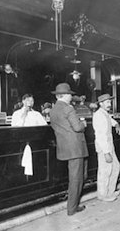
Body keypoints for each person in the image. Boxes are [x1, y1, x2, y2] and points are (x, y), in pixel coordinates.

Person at [50, 83, 88, 216]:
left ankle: (73, 204)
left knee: (76, 177)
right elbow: (77, 127)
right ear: (65, 95)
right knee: (77, 178)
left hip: (64, 148)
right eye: (70, 94)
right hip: (75, 148)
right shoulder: (68, 109)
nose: (71, 96)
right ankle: (72, 208)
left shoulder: (53, 110)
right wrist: (83, 123)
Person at [92, 94, 120, 202]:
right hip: (104, 147)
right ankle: (102, 195)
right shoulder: (98, 115)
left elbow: (110, 120)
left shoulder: (104, 114)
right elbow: (100, 136)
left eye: (110, 102)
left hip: (109, 146)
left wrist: (117, 124)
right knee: (105, 171)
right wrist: (106, 153)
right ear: (101, 104)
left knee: (115, 167)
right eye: (107, 102)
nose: (110, 104)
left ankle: (110, 191)